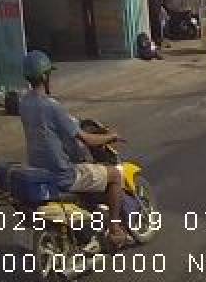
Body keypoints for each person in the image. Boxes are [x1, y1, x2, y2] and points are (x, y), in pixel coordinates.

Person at [18, 51, 134, 249]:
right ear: (45, 76)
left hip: (39, 169)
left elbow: (48, 131)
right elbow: (86, 139)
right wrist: (110, 136)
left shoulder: (24, 103)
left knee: (87, 169)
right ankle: (115, 229)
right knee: (115, 175)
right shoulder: (52, 106)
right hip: (63, 173)